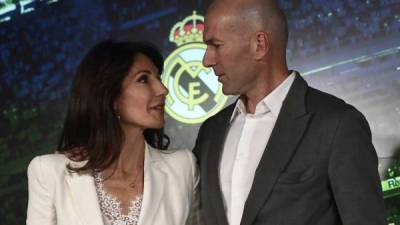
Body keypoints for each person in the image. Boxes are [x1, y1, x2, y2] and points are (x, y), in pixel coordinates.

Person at [193, 0, 386, 225]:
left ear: (259, 44)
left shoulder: (337, 124)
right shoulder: (211, 131)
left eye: (216, 44)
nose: (206, 60)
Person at [27, 40, 200, 225]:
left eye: (159, 78)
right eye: (143, 79)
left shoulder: (183, 167)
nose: (162, 89)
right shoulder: (49, 171)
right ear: (110, 97)